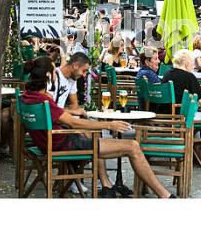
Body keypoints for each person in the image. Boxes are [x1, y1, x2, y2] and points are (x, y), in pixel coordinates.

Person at [21, 56, 174, 198]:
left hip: (49, 143)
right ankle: (164, 195)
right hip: (65, 144)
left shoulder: (27, 97)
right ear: (48, 75)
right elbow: (73, 123)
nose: (56, 73)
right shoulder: (44, 101)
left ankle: (106, 184)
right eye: (54, 71)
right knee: (132, 146)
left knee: (94, 132)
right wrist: (109, 124)